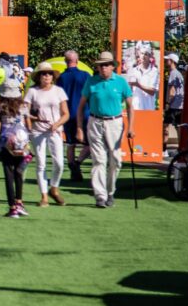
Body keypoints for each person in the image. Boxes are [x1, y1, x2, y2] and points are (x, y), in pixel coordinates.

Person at [76, 51, 135, 209]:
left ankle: (110, 192)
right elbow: (81, 106)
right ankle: (100, 196)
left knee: (115, 160)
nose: (103, 68)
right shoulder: (91, 82)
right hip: (95, 122)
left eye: (106, 65)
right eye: (101, 65)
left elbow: (130, 106)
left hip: (115, 122)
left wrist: (131, 127)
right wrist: (79, 128)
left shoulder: (121, 82)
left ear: (112, 67)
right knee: (99, 160)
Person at [24, 62, 69, 207]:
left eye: (49, 73)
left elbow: (66, 114)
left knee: (59, 163)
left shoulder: (58, 91)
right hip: (38, 131)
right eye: (44, 74)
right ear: (38, 77)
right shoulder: (32, 91)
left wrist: (57, 124)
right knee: (41, 163)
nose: (47, 76)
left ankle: (54, 189)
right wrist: (33, 121)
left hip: (55, 130)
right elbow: (25, 112)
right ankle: (44, 196)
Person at [0, 80, 30, 219]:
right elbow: (27, 124)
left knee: (8, 175)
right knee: (19, 174)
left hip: (6, 144)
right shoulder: (23, 106)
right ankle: (19, 202)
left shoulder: (0, 107)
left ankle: (12, 207)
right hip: (21, 143)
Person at [57, 50, 91, 182]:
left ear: (65, 61)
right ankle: (77, 163)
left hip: (68, 114)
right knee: (90, 144)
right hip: (85, 114)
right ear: (77, 61)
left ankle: (73, 167)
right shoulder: (85, 76)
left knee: (71, 144)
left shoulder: (60, 78)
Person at [164, 53, 184, 129]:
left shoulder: (173, 73)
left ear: (172, 61)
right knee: (178, 127)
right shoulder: (178, 73)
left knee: (165, 126)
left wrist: (167, 104)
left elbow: (172, 90)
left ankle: (163, 141)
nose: (165, 61)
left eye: (167, 60)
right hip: (179, 105)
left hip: (173, 105)